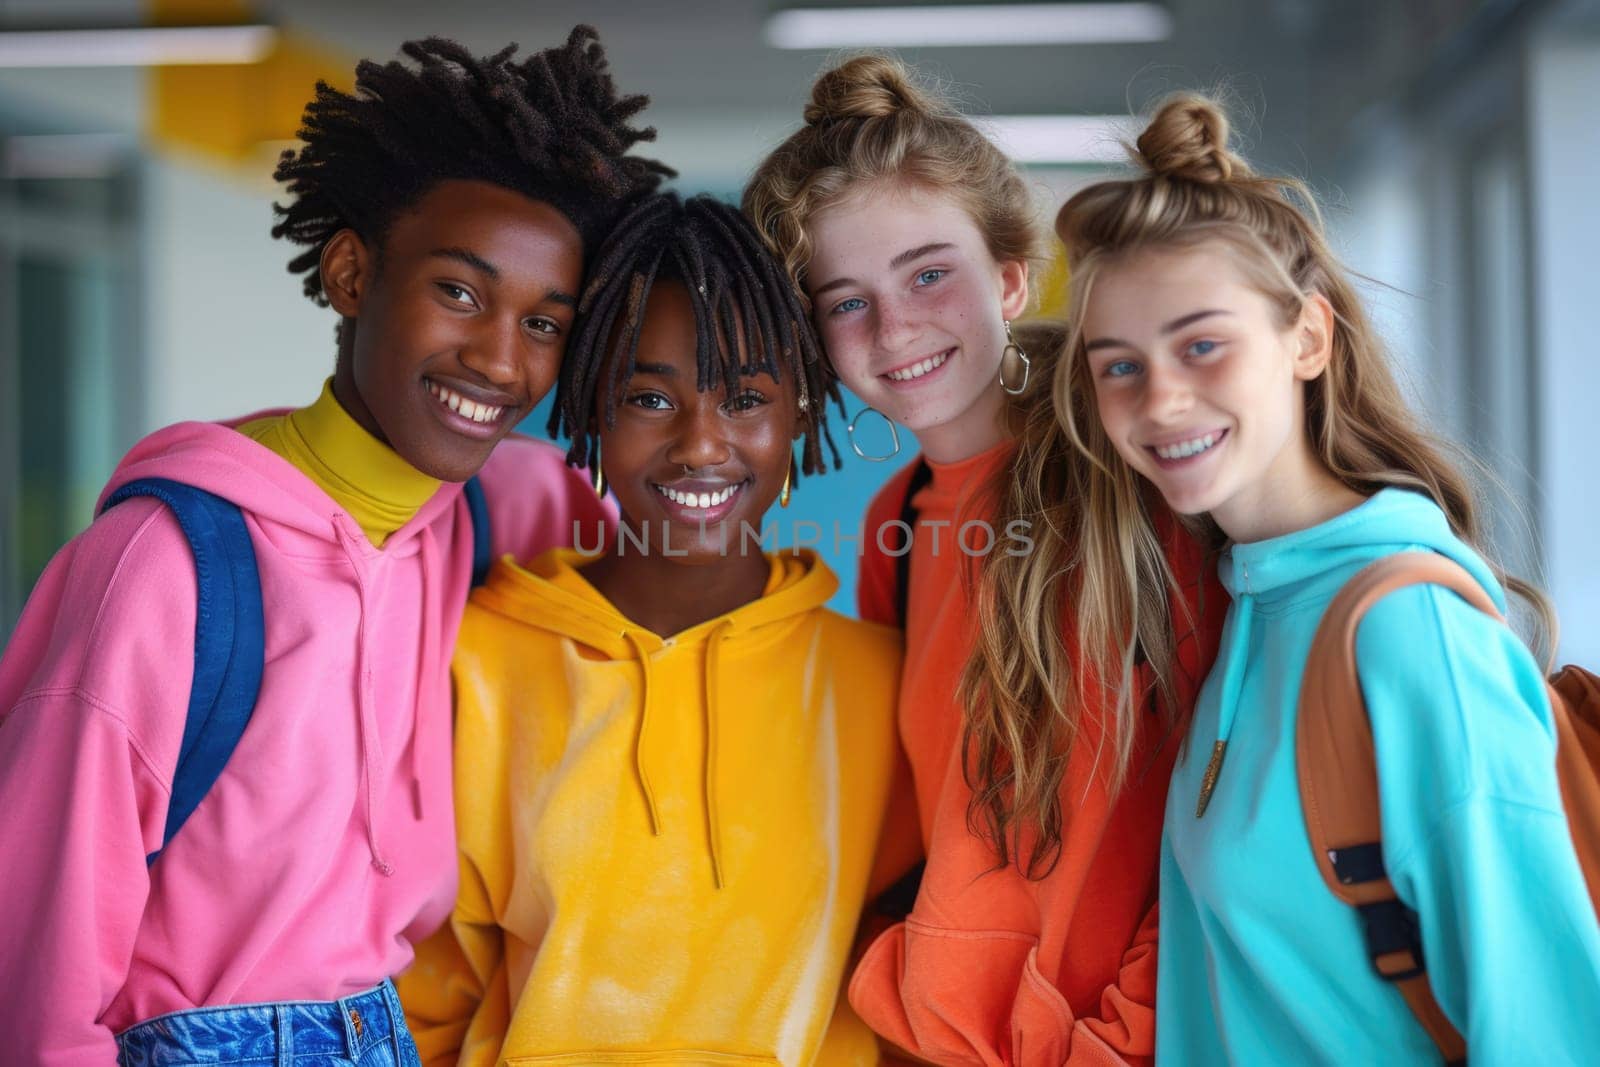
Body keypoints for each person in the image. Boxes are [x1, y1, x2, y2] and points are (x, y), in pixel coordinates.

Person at [0, 30, 666, 1066]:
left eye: (545, 323)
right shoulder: (165, 564)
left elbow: (681, 554)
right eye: (458, 291)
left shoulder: (514, 509)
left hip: (394, 1028)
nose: (498, 357)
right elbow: (35, 961)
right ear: (353, 272)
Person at [1050, 93, 1600, 1063]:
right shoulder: (1249, 604)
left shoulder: (1406, 632)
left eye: (1201, 344)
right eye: (1118, 365)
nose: (1160, 397)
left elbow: (1548, 1029)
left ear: (1306, 336)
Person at [744, 57, 1220, 1064]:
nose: (895, 326)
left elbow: (1231, 810)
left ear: (1009, 277)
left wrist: (1122, 1034)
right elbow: (920, 827)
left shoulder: (1130, 480)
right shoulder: (902, 517)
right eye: (844, 300)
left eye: (928, 273)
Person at [397, 192, 903, 1066]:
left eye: (746, 398)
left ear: (800, 418)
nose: (702, 445)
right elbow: (433, 986)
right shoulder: (472, 659)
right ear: (592, 408)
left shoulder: (878, 680)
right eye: (648, 397)